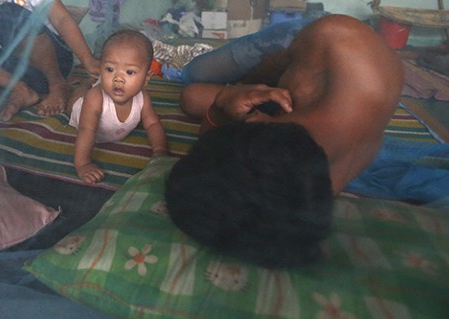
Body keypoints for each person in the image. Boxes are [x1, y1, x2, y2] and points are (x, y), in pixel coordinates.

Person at [165, 14, 404, 268]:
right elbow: (272, 64)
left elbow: (246, 211)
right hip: (293, 45)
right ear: (257, 122)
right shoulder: (332, 36)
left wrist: (223, 104)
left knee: (194, 92)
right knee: (193, 75)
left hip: (301, 87)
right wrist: (245, 86)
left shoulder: (308, 185)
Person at [67, 30, 168, 184]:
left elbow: (153, 124)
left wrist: (160, 151)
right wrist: (83, 164)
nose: (118, 78)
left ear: (146, 78)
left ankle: (87, 83)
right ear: (101, 68)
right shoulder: (96, 98)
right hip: (81, 111)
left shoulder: (143, 99)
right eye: (110, 69)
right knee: (74, 101)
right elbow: (86, 130)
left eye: (129, 72)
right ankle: (83, 85)